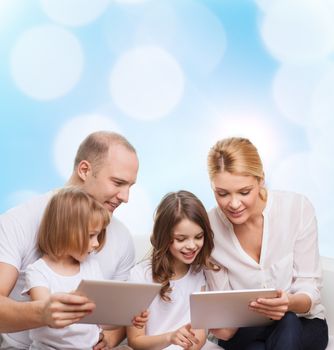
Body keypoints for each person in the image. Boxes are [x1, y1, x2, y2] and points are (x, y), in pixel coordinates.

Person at [0, 131, 139, 349]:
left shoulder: (121, 238)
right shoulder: (17, 222)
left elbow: (115, 312)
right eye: (118, 182)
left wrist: (113, 337)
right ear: (85, 170)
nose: (126, 197)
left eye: (130, 186)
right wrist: (42, 312)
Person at [206, 137, 329, 350]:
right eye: (222, 194)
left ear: (261, 179)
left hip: (304, 322)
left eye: (244, 192)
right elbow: (222, 308)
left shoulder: (297, 209)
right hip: (245, 329)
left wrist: (288, 303)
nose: (234, 204)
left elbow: (309, 286)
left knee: (287, 321)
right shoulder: (209, 228)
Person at [127, 190, 223, 350]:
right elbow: (135, 340)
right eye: (181, 239)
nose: (192, 246)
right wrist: (170, 337)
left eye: (198, 237)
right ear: (164, 237)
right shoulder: (140, 276)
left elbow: (199, 334)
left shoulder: (200, 272)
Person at [23, 187, 111, 349]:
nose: (96, 243)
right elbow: (47, 316)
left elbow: (104, 320)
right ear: (66, 231)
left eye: (98, 235)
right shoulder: (38, 271)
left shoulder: (91, 266)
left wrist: (128, 316)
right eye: (91, 235)